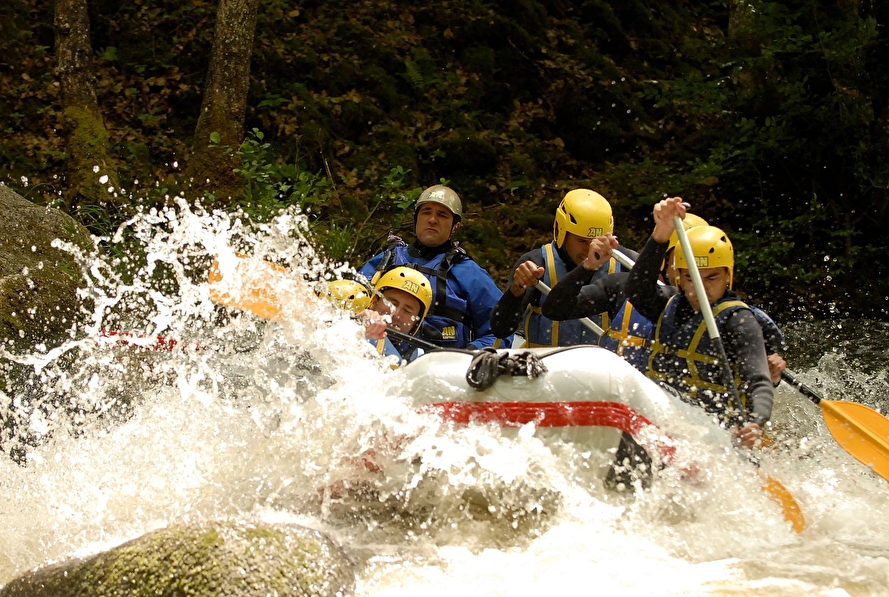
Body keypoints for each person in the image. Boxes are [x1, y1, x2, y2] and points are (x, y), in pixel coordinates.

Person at [624, 197, 773, 448]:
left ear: (727, 275)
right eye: (692, 278)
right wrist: (661, 234)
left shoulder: (739, 321)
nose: (701, 288)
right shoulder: (667, 305)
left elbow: (758, 380)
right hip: (661, 420)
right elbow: (636, 289)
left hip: (712, 433)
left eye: (712, 277)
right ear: (679, 276)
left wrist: (756, 422)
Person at [358, 185, 503, 350]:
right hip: (377, 354)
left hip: (441, 362)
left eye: (442, 215)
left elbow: (499, 331)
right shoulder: (385, 261)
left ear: (455, 227)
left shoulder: (470, 274)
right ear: (416, 218)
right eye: (426, 212)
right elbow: (347, 305)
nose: (432, 220)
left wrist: (469, 355)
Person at [490, 188, 637, 347]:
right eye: (582, 241)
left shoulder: (626, 264)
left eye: (598, 241)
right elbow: (501, 329)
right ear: (561, 231)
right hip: (544, 361)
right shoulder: (536, 263)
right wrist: (516, 290)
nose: (590, 249)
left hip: (599, 362)